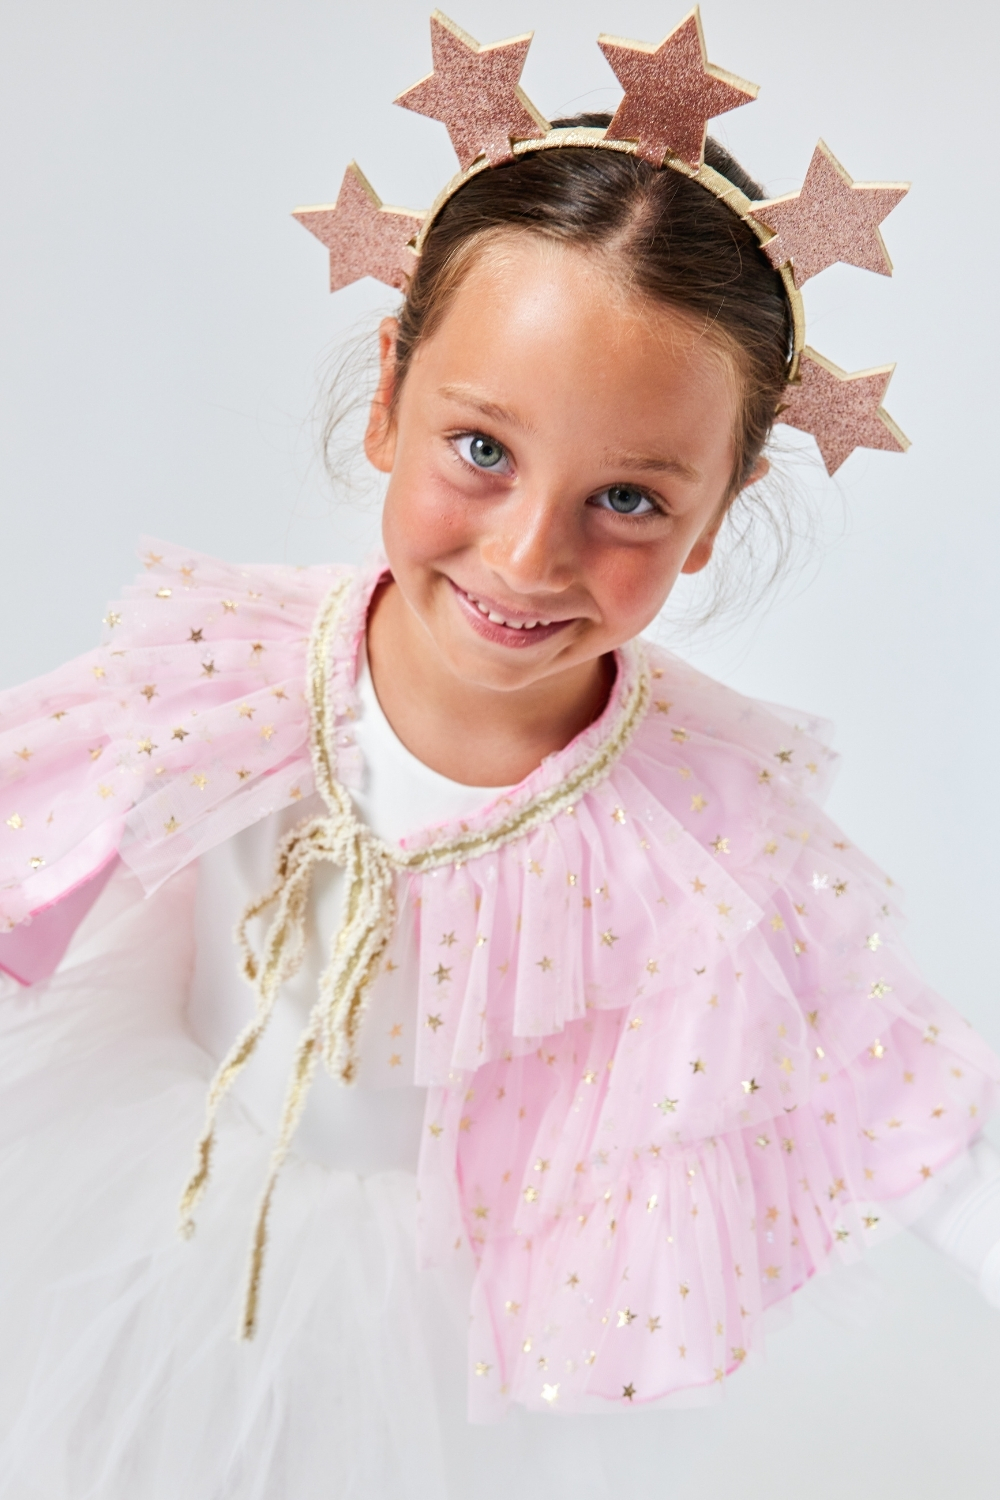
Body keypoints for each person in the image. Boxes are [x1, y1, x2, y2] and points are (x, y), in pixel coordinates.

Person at [0, 12, 997, 1498]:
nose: (530, 557)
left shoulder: (707, 836)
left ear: (719, 511)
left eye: (630, 500)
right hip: (155, 1228)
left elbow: (915, 1102)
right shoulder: (227, 672)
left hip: (441, 1336)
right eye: (482, 448)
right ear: (390, 392)